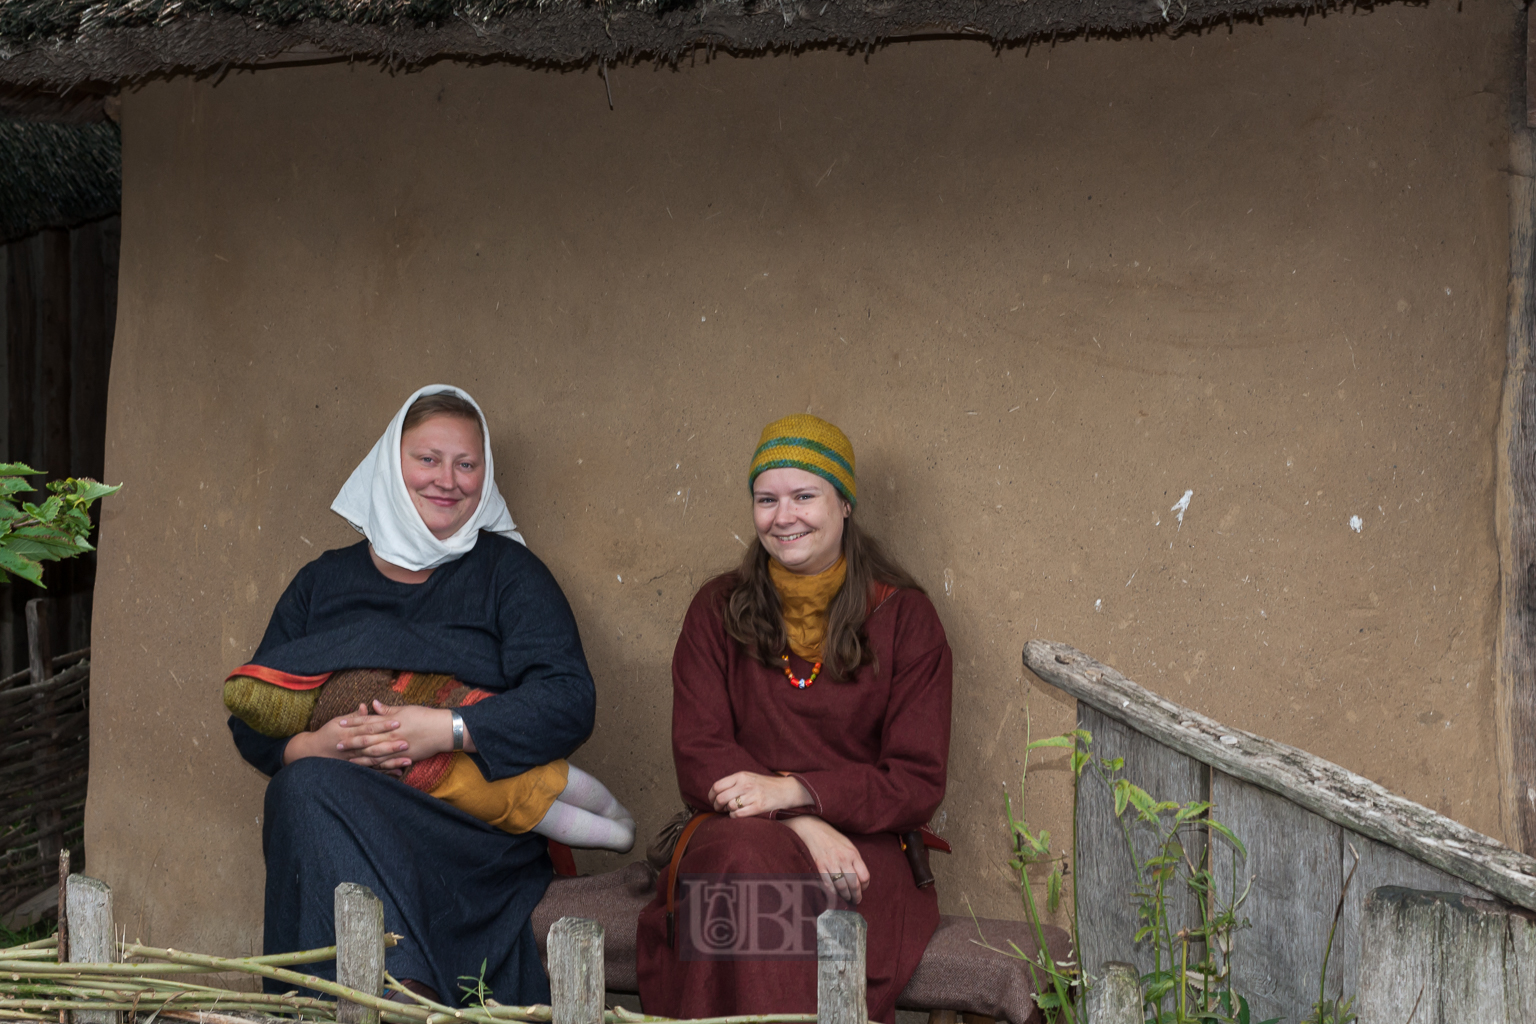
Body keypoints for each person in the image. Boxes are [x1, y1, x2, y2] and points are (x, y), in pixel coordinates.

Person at [227, 385, 622, 1006]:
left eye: (467, 464)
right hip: (336, 801)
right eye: (428, 460)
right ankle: (382, 996)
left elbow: (569, 699)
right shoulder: (322, 585)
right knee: (302, 789)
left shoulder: (508, 575)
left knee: (308, 795)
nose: (449, 480)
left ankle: (394, 996)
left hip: (466, 830)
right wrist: (314, 745)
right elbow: (255, 712)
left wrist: (448, 730)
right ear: (391, 463)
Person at [636, 414, 953, 1024]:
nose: (784, 517)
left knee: (755, 889)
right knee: (743, 865)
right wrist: (798, 818)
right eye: (766, 499)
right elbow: (699, 751)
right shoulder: (717, 609)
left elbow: (916, 781)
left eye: (805, 496)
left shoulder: (906, 619)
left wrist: (799, 792)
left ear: (845, 504)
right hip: (737, 834)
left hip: (859, 852)